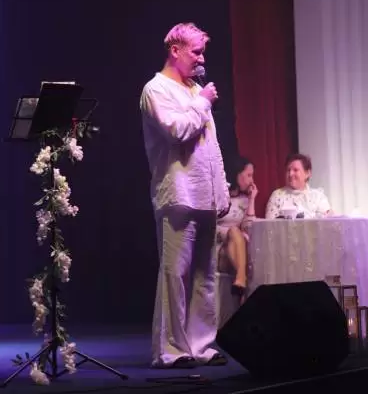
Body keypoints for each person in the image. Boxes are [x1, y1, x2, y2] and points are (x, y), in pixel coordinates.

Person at [140, 22, 230, 369]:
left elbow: (211, 149)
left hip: (204, 194)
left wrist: (220, 191)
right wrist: (203, 103)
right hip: (177, 193)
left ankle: (201, 345)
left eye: (203, 52)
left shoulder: (195, 90)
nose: (202, 59)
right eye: (196, 52)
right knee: (175, 274)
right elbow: (177, 131)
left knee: (205, 275)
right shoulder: (155, 89)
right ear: (174, 51)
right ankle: (171, 350)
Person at [216, 157, 258, 300]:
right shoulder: (219, 198)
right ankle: (243, 280)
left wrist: (252, 200)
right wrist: (229, 233)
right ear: (237, 174)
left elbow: (249, 227)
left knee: (236, 239)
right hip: (217, 248)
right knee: (234, 231)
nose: (252, 180)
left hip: (235, 248)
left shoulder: (244, 200)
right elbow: (209, 226)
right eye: (249, 175)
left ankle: (241, 282)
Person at [265, 153, 332, 219]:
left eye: (295, 170)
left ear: (307, 173)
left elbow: (327, 221)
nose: (290, 174)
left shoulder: (318, 197)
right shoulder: (277, 196)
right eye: (288, 170)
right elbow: (270, 224)